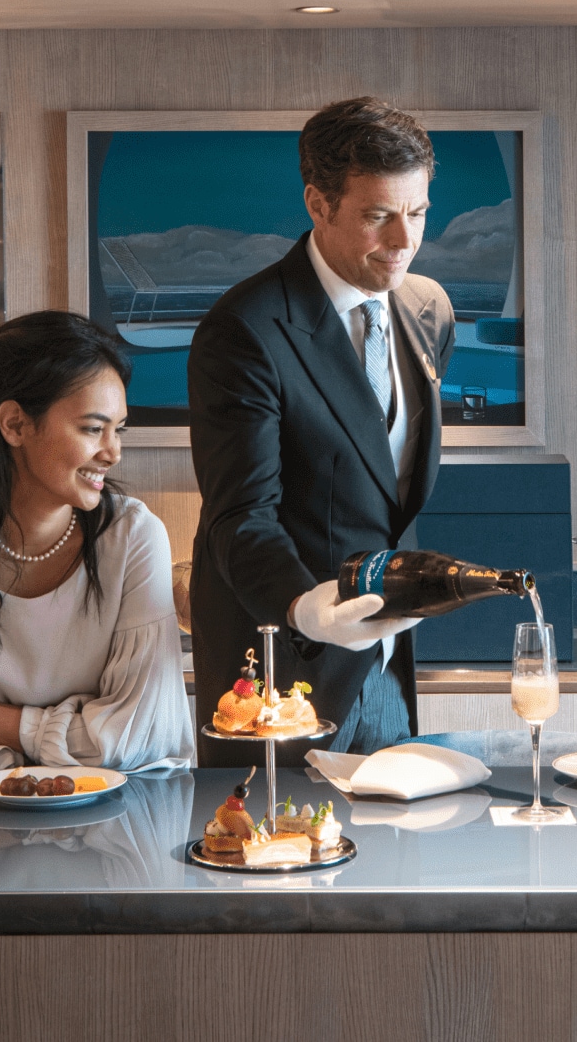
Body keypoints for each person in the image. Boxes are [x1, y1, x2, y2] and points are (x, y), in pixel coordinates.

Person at [188, 97, 455, 766]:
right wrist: (306, 608)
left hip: (388, 660)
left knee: (397, 859)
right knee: (273, 859)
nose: (403, 241)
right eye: (377, 217)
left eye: (417, 213)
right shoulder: (244, 330)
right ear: (318, 203)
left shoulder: (428, 309)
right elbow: (241, 517)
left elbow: (382, 482)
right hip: (282, 663)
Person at [0, 310, 196, 781]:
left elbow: (143, 738)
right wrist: (72, 745)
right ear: (15, 425)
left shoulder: (134, 537)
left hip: (111, 838)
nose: (113, 452)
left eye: (118, 429)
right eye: (92, 429)